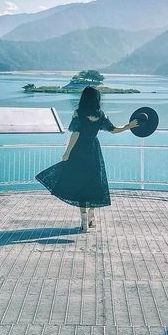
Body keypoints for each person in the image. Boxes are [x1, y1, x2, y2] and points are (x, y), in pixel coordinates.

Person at [35, 86, 138, 232]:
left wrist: (67, 152)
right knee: (93, 181)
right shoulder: (101, 115)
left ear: (84, 98)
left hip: (79, 149)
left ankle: (84, 221)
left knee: (80, 182)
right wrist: (129, 126)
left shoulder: (78, 114)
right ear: (97, 99)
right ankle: (91, 215)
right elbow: (114, 130)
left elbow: (75, 134)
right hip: (93, 149)